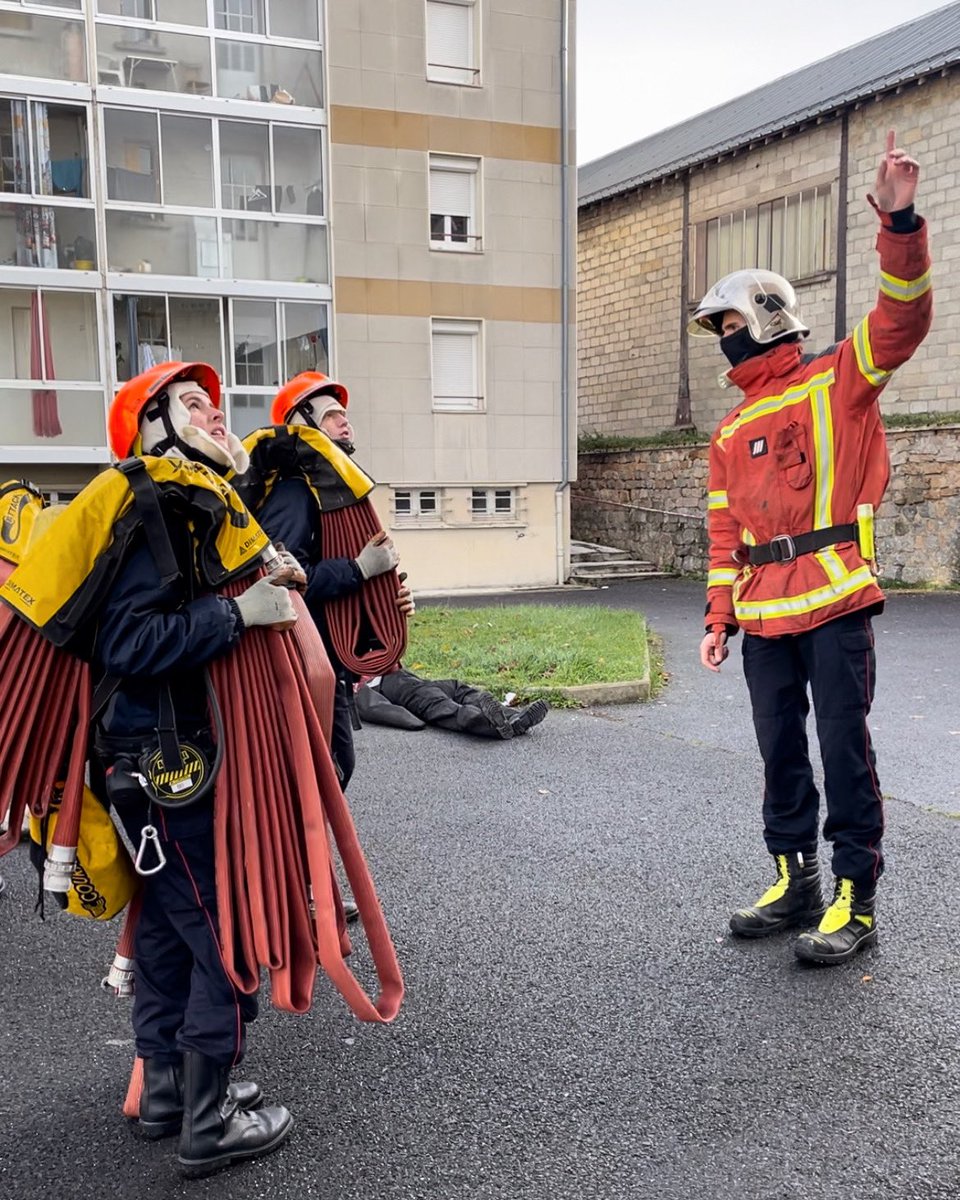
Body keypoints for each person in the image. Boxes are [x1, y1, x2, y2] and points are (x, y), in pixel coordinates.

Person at [692, 130, 932, 965]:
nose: (721, 338)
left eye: (726, 323)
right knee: (779, 753)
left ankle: (854, 900)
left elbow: (902, 321)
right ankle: (794, 880)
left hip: (833, 602)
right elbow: (727, 534)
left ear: (762, 317)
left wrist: (898, 222)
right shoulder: (729, 428)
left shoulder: (839, 378)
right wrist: (720, 616)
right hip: (763, 619)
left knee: (843, 750)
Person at [95, 362, 297, 1174]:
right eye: (188, 405)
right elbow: (127, 642)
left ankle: (174, 1091)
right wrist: (235, 613)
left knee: (177, 938)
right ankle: (210, 1121)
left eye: (214, 404)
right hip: (165, 767)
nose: (213, 413)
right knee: (225, 934)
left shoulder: (190, 512)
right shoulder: (152, 507)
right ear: (148, 432)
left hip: (151, 764)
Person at [241, 372, 412, 790]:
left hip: (326, 663)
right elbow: (282, 581)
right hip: (302, 666)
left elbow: (330, 587)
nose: (345, 423)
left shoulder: (327, 499)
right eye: (333, 415)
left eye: (345, 415)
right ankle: (301, 856)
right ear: (302, 424)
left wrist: (384, 603)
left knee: (333, 772)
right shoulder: (293, 494)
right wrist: (358, 570)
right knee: (322, 776)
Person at [357, 668, 549, 739]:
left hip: (401, 676)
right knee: (435, 701)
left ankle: (512, 717)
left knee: (456, 688)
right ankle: (487, 724)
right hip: (382, 685)